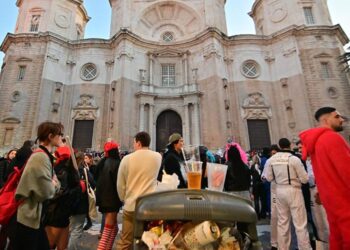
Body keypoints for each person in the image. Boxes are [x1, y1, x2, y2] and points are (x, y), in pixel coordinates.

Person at [299, 106, 349, 249]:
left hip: (330, 198)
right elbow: (347, 170)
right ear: (326, 120)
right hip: (343, 197)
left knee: (337, 237)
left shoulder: (316, 143)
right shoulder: (332, 138)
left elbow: (322, 171)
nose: (341, 120)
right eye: (337, 117)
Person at [14, 122, 62, 250]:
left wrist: (53, 183)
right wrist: (54, 184)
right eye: (59, 134)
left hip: (35, 216)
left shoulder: (44, 155)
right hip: (28, 217)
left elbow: (54, 183)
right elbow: (46, 192)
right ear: (51, 136)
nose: (61, 138)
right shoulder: (40, 157)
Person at [117, 131, 162, 250]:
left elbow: (120, 184)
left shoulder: (127, 159)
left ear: (138, 143)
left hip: (131, 206)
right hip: (150, 206)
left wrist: (123, 199)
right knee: (149, 242)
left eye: (134, 142)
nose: (133, 145)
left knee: (126, 241)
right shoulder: (157, 157)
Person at [264, 138, 311, 250]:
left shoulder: (272, 160)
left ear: (279, 146)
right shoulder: (294, 159)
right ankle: (304, 248)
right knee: (300, 224)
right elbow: (305, 179)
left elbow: (269, 178)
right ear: (289, 145)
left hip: (279, 191)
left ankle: (283, 248)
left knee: (282, 223)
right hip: (294, 190)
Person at [44, 146, 81, 250]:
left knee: (62, 246)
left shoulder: (69, 172)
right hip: (56, 213)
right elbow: (59, 193)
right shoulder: (61, 172)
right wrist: (77, 189)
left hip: (63, 214)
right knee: (50, 245)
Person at [96, 141, 123, 250]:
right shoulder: (116, 163)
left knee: (114, 228)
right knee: (107, 229)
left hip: (104, 199)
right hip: (111, 199)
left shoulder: (102, 162)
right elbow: (119, 182)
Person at [68, 151, 95, 250]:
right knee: (76, 230)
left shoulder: (67, 170)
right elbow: (93, 183)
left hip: (67, 203)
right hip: (80, 204)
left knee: (68, 228)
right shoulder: (83, 170)